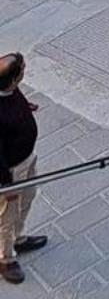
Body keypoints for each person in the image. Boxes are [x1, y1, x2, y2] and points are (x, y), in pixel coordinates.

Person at [0, 53, 46, 283]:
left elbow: (13, 98)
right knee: (6, 216)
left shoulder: (9, 90)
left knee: (28, 197)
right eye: (22, 70)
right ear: (13, 79)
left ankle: (18, 238)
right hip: (11, 170)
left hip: (27, 157)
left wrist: (24, 107)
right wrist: (6, 185)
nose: (25, 72)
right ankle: (5, 258)